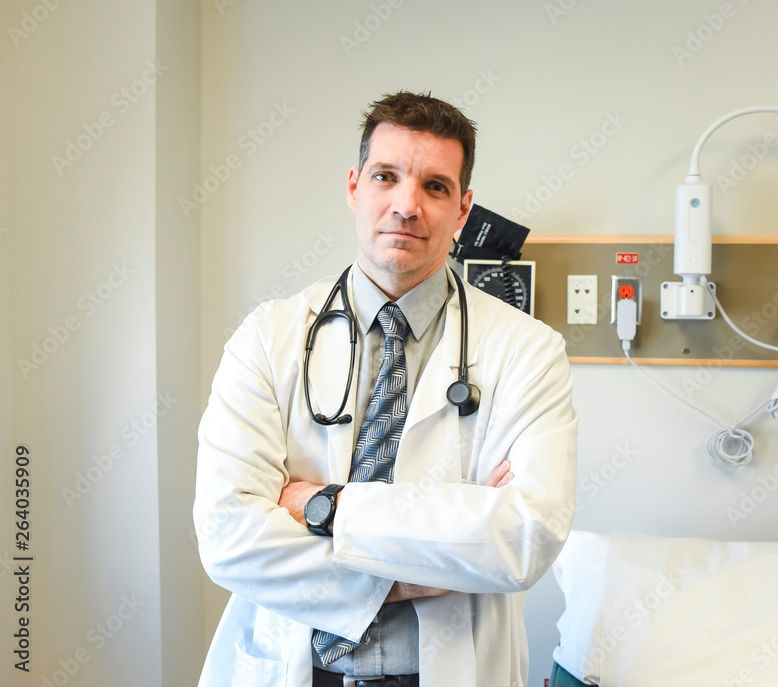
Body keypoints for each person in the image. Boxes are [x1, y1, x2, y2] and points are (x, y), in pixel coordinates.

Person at [193, 91, 578, 687]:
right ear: (354, 187)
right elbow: (228, 536)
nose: (406, 205)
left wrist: (324, 505)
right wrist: (425, 567)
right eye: (385, 176)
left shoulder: (528, 351)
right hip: (296, 668)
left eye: (435, 186)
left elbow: (525, 539)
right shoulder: (268, 338)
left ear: (463, 209)